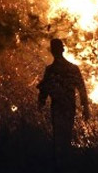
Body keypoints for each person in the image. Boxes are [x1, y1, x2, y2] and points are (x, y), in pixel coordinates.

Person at [38, 38, 90, 167]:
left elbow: (44, 89)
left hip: (59, 107)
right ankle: (64, 163)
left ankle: (60, 163)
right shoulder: (71, 68)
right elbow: (81, 89)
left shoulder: (51, 70)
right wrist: (85, 107)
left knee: (59, 137)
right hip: (66, 107)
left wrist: (41, 102)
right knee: (65, 136)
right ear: (62, 49)